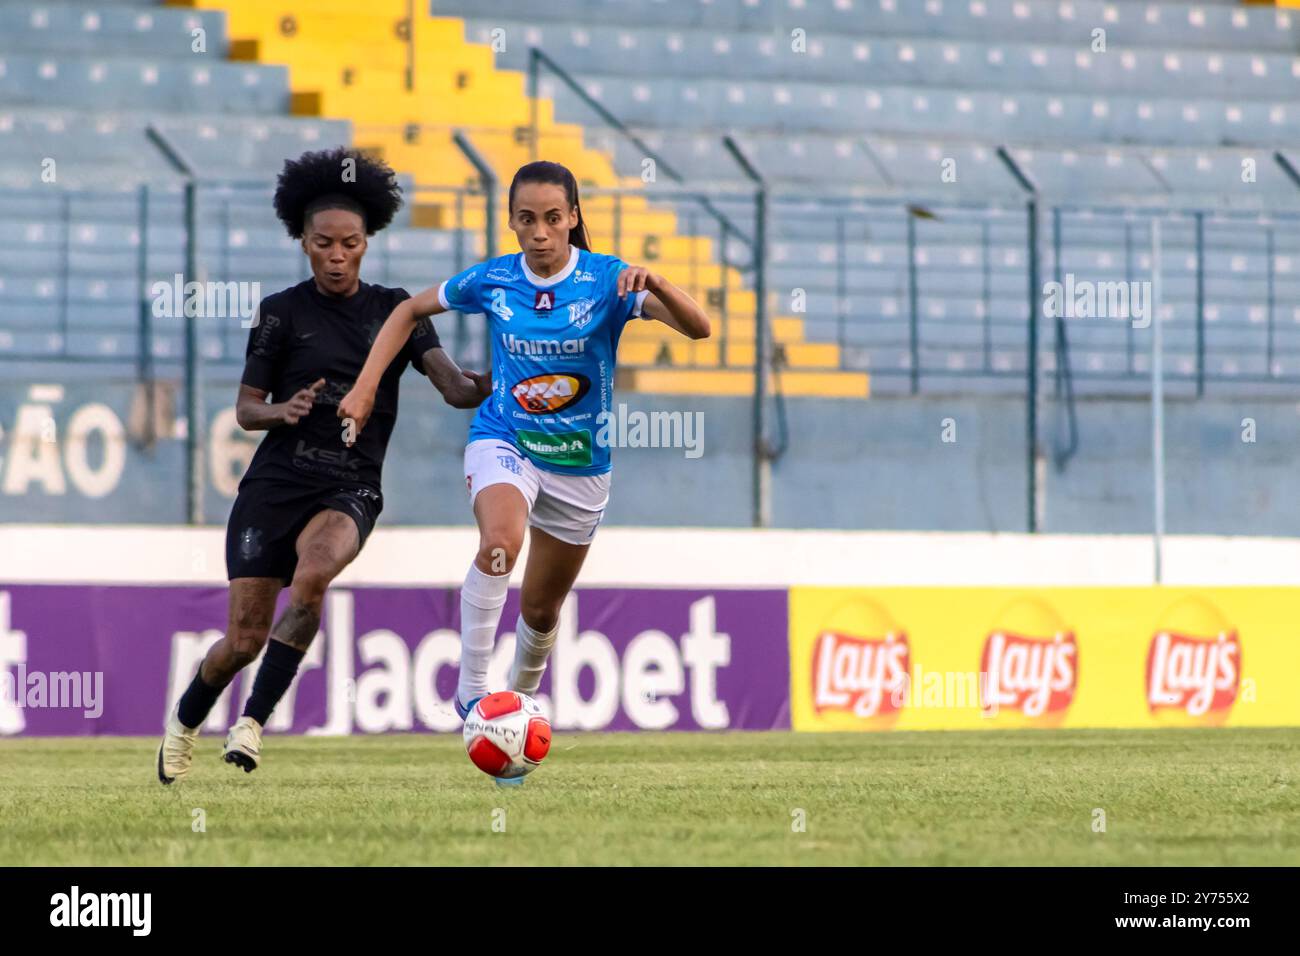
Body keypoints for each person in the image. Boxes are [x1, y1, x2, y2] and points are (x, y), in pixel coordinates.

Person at [338, 161, 711, 781]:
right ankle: (473, 694)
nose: (540, 232)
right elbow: (405, 312)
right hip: (504, 438)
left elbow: (699, 329)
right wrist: (365, 387)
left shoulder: (608, 280)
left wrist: (661, 284)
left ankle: (516, 710)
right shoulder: (493, 279)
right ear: (511, 222)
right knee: (499, 544)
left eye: (552, 218)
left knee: (541, 613)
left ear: (573, 220)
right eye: (526, 219)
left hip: (580, 467)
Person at [157, 147, 489, 784]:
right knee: (242, 642)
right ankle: (184, 722)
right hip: (275, 486)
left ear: (368, 242)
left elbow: (452, 387)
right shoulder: (280, 312)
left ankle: (252, 723)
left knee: (313, 578)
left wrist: (501, 379)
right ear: (302, 243)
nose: (337, 256)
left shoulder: (397, 311)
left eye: (350, 243)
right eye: (323, 244)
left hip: (351, 484)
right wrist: (285, 410)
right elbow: (246, 411)